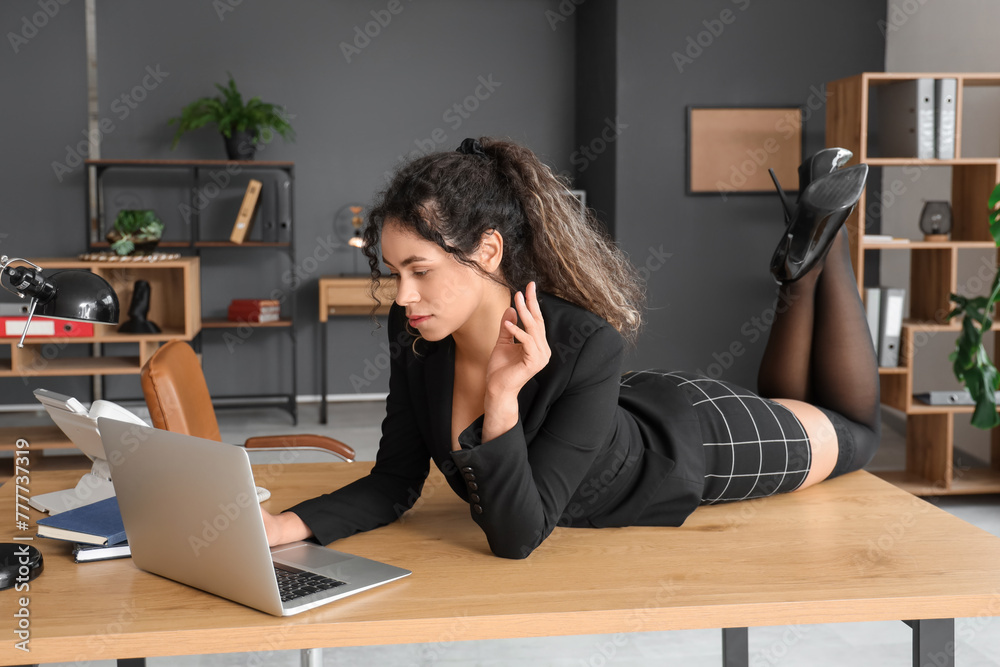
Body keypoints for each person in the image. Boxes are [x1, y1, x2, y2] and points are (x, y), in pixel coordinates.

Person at [261, 137, 880, 559]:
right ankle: (805, 254)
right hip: (626, 413)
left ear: (489, 252)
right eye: (394, 272)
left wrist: (502, 396)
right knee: (795, 399)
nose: (402, 296)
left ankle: (829, 241)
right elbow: (395, 481)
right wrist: (284, 526)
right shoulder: (421, 337)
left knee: (858, 432)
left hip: (694, 445)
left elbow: (518, 536)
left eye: (419, 270)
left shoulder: (585, 342)